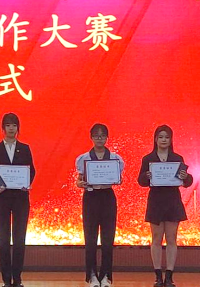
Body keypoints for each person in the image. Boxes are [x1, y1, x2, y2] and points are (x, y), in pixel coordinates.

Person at [138, 125, 193, 287]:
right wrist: (146, 176)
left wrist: (185, 176)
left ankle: (169, 276)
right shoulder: (148, 159)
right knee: (156, 238)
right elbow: (141, 181)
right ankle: (157, 276)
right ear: (155, 139)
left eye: (167, 137)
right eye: (161, 137)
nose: (164, 140)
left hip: (172, 201)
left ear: (171, 140)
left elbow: (187, 182)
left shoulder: (177, 158)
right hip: (156, 201)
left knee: (171, 238)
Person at [0, 112, 36, 287]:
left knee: (19, 238)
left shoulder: (25, 148)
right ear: (3, 128)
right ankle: (6, 279)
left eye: (14, 125)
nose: (11, 128)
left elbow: (31, 171)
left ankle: (18, 278)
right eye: (8, 125)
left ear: (18, 128)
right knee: (3, 238)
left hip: (21, 198)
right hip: (2, 198)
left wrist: (26, 183)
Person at [75, 123, 124, 287]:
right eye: (96, 135)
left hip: (108, 197)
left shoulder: (116, 158)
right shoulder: (83, 158)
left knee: (108, 239)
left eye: (102, 135)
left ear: (107, 138)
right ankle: (92, 276)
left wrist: (118, 180)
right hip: (91, 197)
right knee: (90, 239)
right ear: (91, 137)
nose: (99, 138)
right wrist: (80, 184)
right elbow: (79, 180)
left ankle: (106, 276)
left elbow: (119, 178)